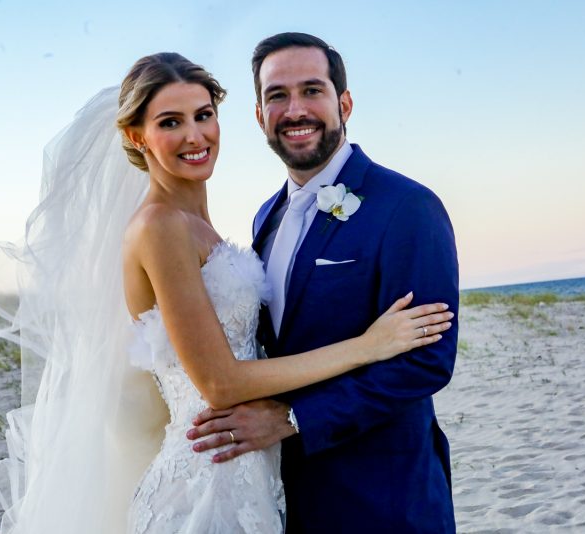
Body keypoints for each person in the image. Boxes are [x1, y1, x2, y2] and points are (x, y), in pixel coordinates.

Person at [0, 52, 452, 533]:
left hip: (271, 472)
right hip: (208, 475)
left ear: (344, 102)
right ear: (135, 136)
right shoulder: (158, 227)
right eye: (170, 122)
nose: (194, 135)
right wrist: (369, 346)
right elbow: (220, 383)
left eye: (203, 115)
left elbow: (414, 360)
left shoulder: (240, 222)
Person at [187, 33, 460, 532]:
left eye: (312, 90)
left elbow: (426, 362)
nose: (295, 110)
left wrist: (292, 419)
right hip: (286, 495)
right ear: (258, 115)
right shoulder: (264, 217)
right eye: (277, 95)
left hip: (383, 500)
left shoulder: (407, 207)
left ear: (344, 102)